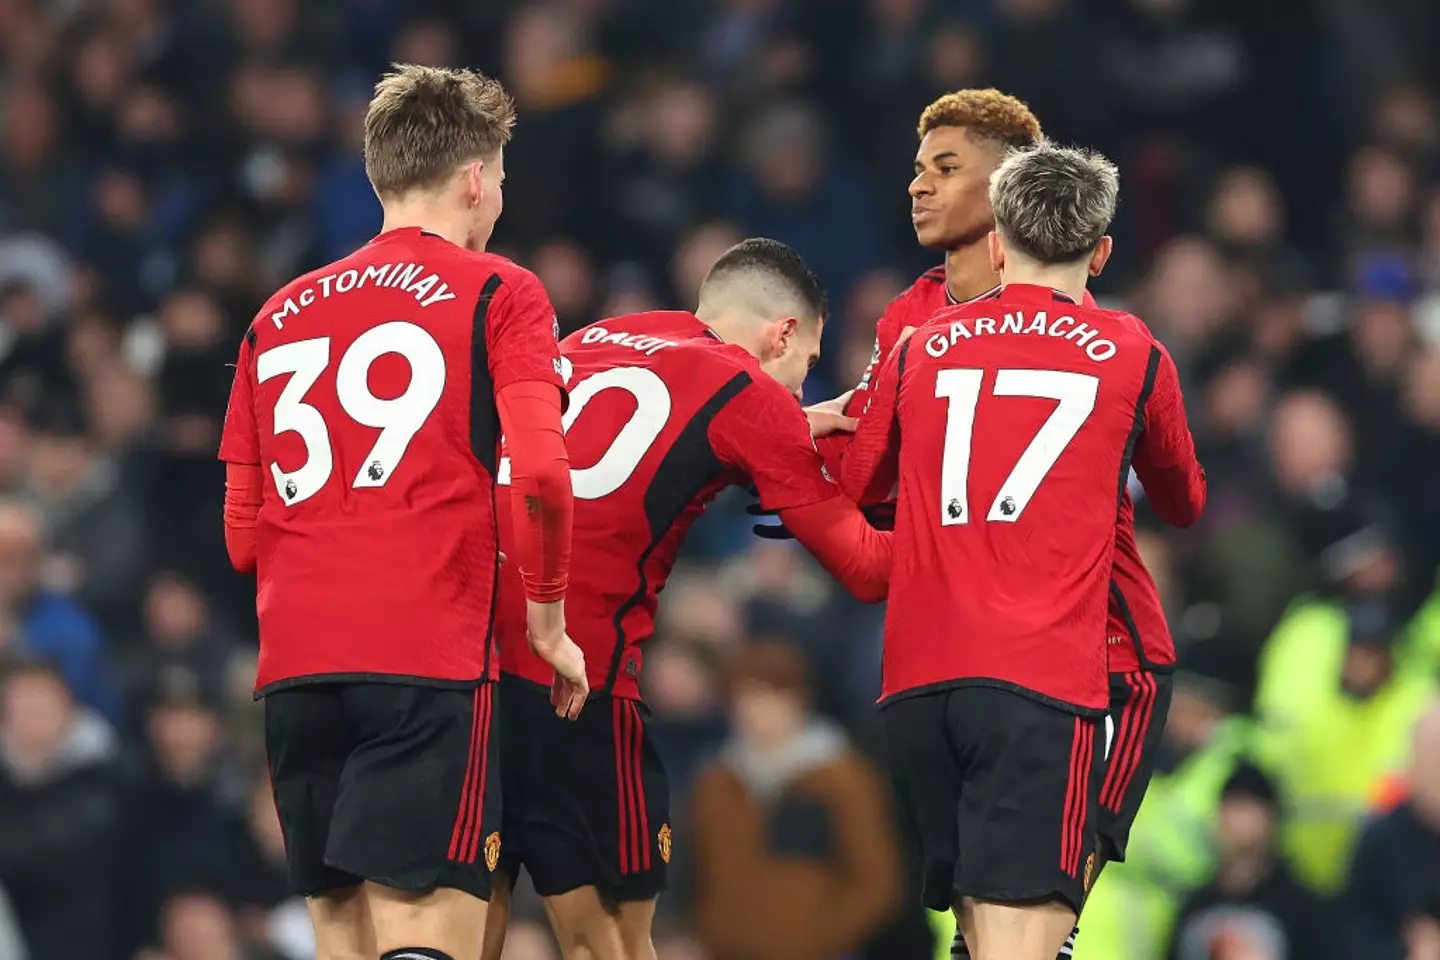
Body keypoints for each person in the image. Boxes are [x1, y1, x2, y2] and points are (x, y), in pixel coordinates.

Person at [804, 88, 1184, 959]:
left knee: (1021, 910)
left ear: (1011, 190)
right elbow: (867, 482)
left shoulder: (1067, 329)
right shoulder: (913, 315)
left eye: (946, 168)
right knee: (996, 919)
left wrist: (795, 462)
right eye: (916, 169)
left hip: (1070, 638)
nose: (918, 186)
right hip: (964, 645)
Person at [218, 65, 583, 960]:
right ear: (474, 179)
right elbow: (542, 474)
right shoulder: (499, 289)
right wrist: (547, 622)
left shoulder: (275, 316)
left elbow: (241, 538)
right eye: (500, 176)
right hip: (425, 656)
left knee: (343, 940)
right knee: (425, 937)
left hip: (297, 672)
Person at [481, 239, 894, 960]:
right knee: (608, 940)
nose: (801, 389)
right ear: (783, 334)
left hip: (473, 664)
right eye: (805, 366)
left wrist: (790, 426)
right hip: (579, 678)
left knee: (469, 926)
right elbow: (865, 570)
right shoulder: (748, 390)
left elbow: (639, 434)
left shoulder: (596, 339)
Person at [690, 642, 902, 960]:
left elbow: (877, 878)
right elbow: (695, 870)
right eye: (745, 698)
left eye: (771, 696)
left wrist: (823, 937)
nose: (756, 710)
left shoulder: (841, 780)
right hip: (725, 951)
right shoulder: (716, 782)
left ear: (798, 700)